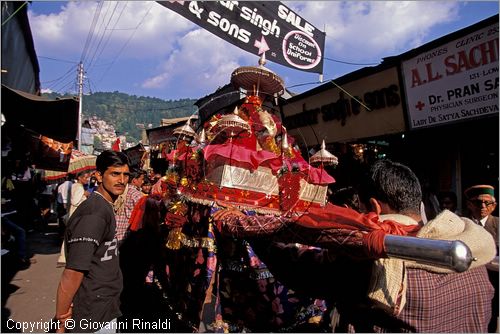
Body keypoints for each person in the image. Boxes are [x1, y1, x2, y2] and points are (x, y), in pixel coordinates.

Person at [214, 159, 496, 332]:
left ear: (373, 206)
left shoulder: (371, 259)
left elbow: (298, 268)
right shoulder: (472, 252)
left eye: (361, 208)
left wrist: (250, 226)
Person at [53, 150, 130, 333]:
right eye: (114, 174)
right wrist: (61, 319)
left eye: (125, 174)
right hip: (91, 312)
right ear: (99, 175)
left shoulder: (105, 205)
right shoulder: (94, 214)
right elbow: (73, 272)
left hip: (104, 306)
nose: (121, 180)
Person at [465, 184, 499, 333]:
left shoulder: (498, 224)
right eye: (478, 202)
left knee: (491, 318)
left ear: (494, 205)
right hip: (469, 284)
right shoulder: (462, 225)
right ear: (469, 205)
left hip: (494, 282)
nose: (483, 206)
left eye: (487, 203)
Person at [57, 171, 91, 266]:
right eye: (85, 177)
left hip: (73, 214)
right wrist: (84, 195)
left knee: (69, 235)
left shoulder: (74, 186)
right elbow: (76, 201)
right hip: (77, 215)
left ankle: (63, 257)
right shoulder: (79, 187)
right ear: (80, 178)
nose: (87, 179)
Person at [114, 169, 145, 244]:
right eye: (141, 179)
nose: (143, 181)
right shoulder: (137, 195)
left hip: (114, 232)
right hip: (126, 235)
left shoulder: (118, 190)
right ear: (134, 180)